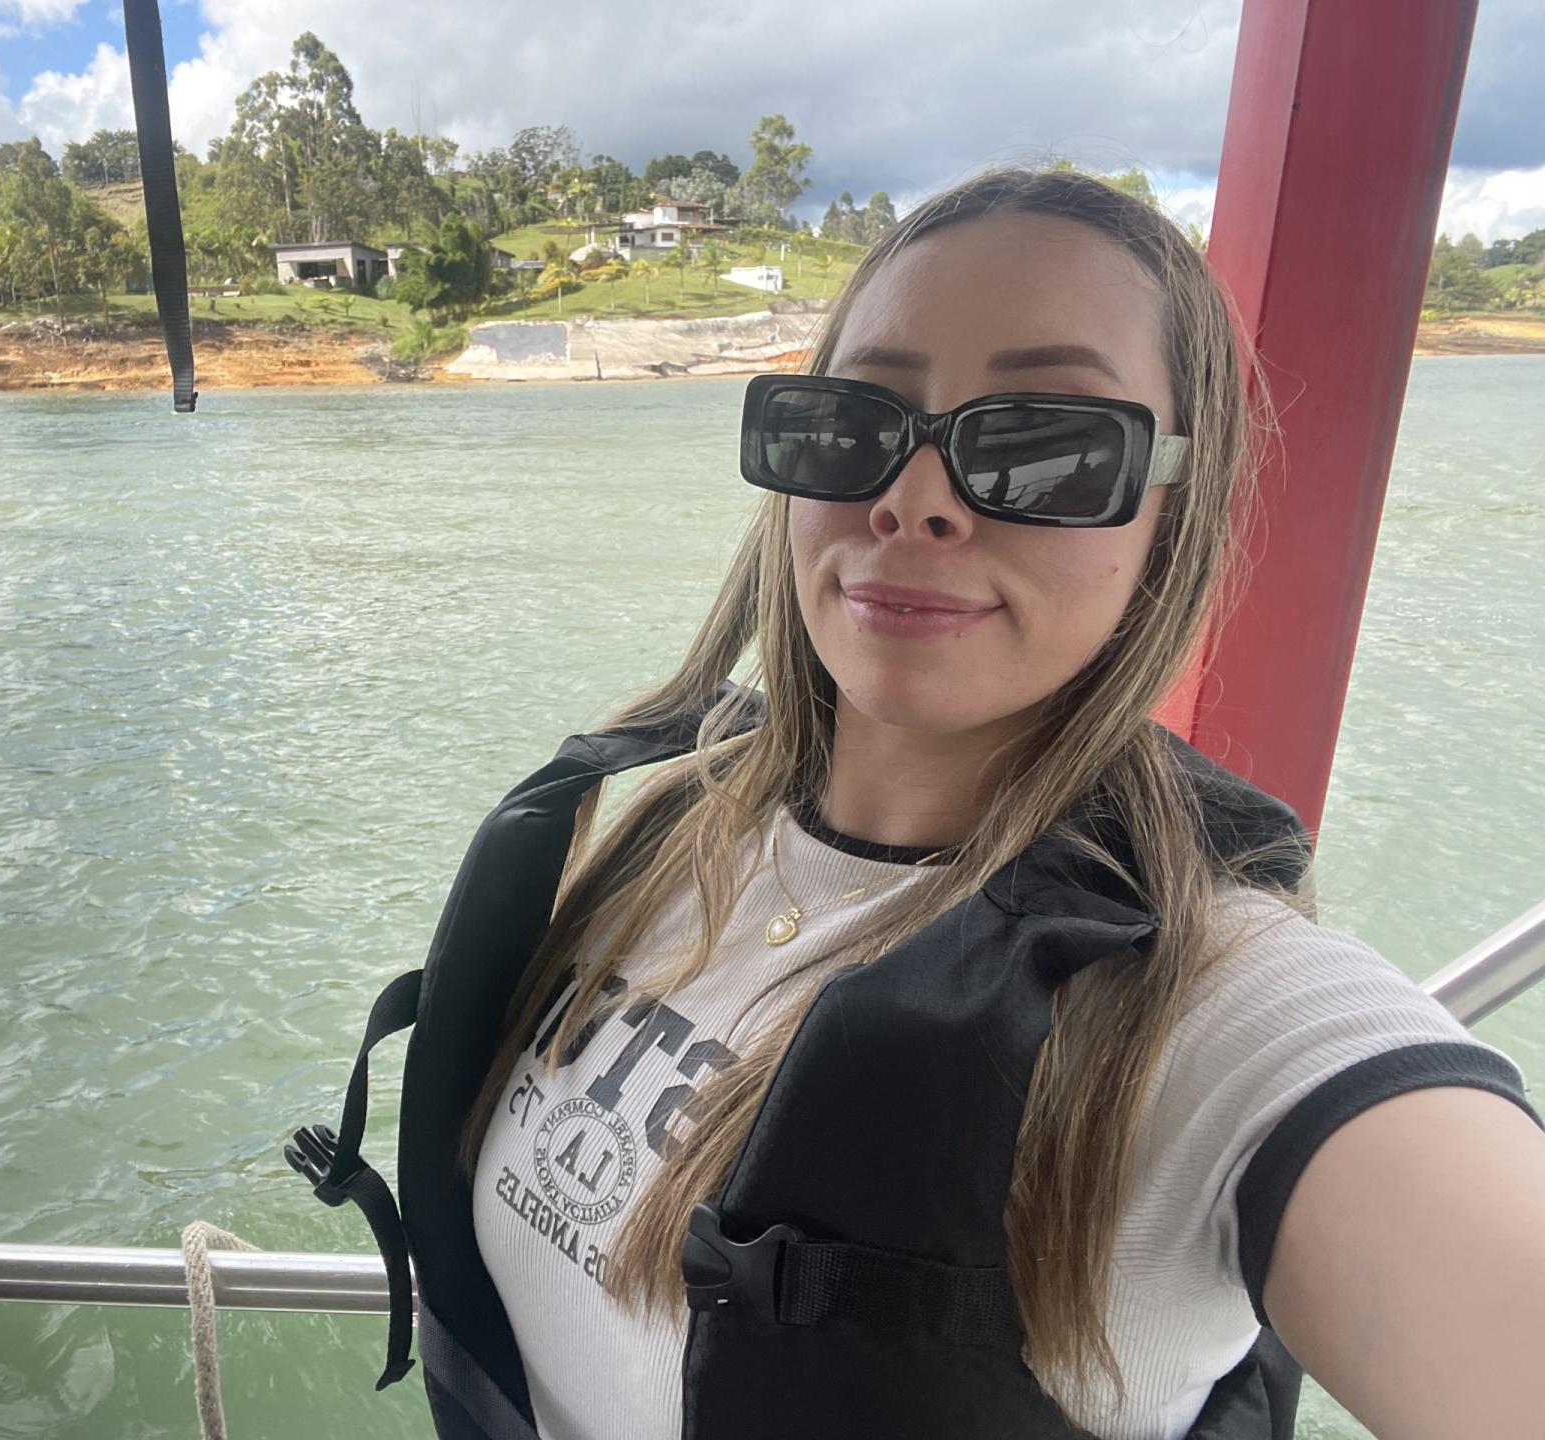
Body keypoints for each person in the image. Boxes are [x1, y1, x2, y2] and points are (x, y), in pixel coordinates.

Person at [295, 168, 1545, 1440]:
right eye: (854, 426)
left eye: (1047, 446)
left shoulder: (1210, 1008)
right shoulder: (679, 824)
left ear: (1173, 514)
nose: (915, 499)